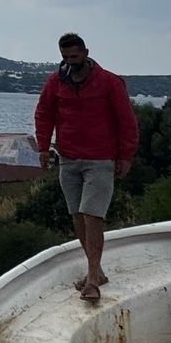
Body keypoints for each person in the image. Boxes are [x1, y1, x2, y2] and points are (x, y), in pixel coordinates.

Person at [33, 33, 138, 304]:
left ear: (86, 53)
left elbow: (126, 120)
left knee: (93, 214)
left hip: (100, 159)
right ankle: (97, 271)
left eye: (75, 57)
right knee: (77, 215)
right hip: (68, 157)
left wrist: (125, 156)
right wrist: (43, 147)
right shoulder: (55, 81)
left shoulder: (109, 82)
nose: (70, 61)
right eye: (65, 57)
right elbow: (44, 113)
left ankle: (92, 279)